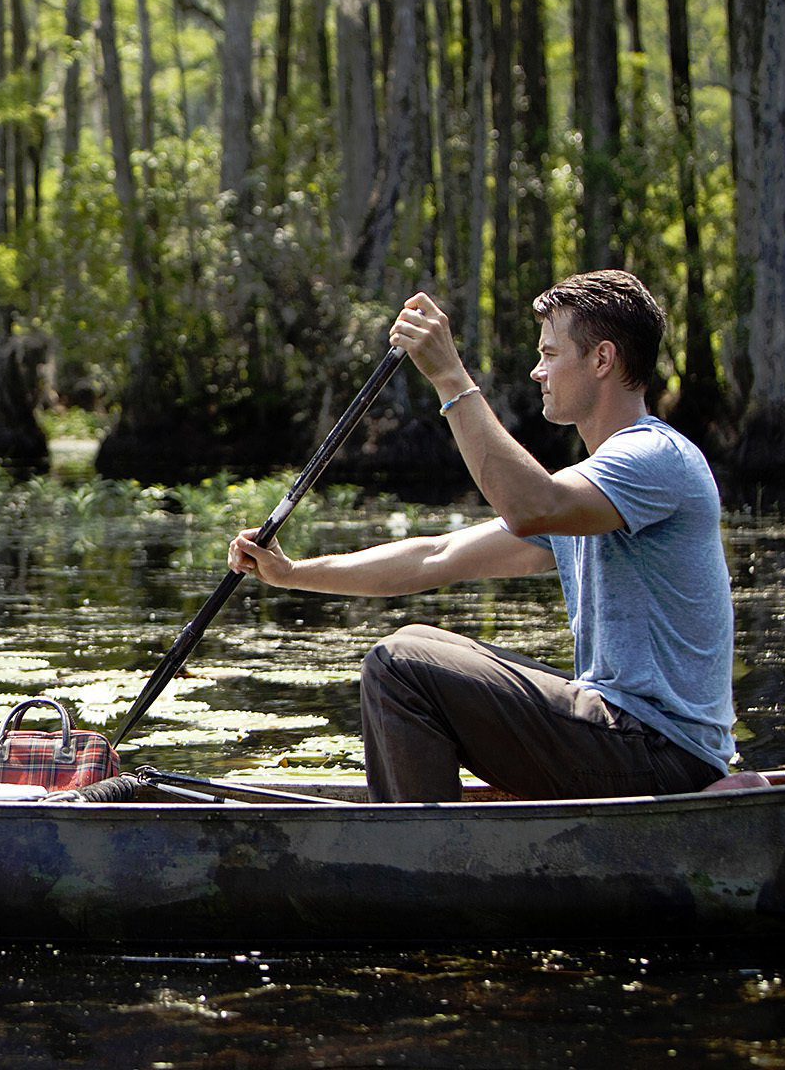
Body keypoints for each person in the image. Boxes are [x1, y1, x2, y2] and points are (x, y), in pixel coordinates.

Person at [227, 270, 734, 802]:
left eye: (551, 354)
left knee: (400, 666)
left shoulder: (654, 458)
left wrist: (450, 377)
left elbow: (530, 505)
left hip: (661, 752)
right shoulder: (588, 494)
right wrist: (292, 574)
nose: (537, 371)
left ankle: (420, 861)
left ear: (602, 360)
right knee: (417, 645)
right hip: (628, 742)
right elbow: (436, 556)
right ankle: (422, 838)